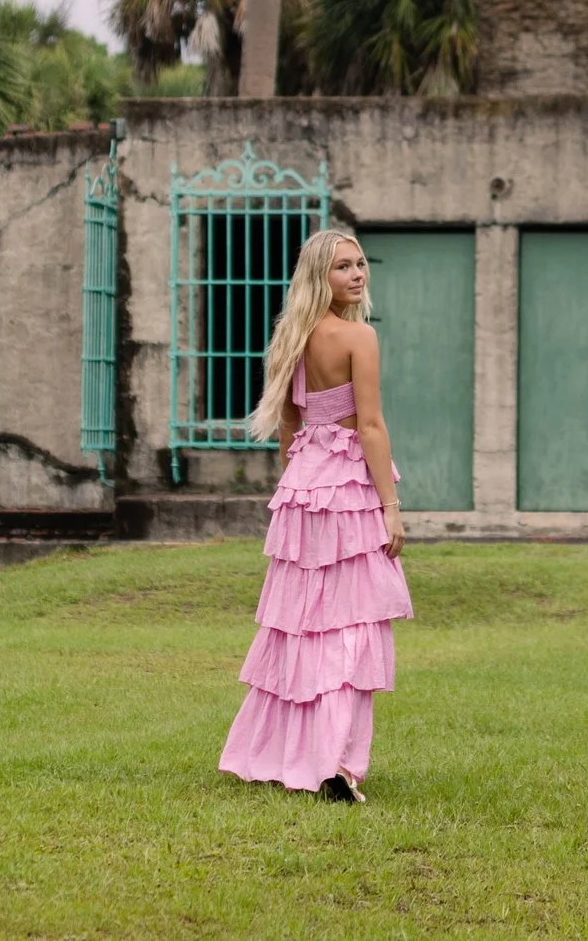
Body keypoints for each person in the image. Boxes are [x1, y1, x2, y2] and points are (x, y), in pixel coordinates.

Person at [217, 228, 412, 803]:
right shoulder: (359, 337)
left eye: (361, 264)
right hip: (348, 491)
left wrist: (297, 482)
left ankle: (292, 755)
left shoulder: (291, 338)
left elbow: (288, 428)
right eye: (343, 267)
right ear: (318, 277)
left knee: (301, 627)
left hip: (302, 490)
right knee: (353, 624)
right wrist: (391, 508)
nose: (358, 274)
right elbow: (371, 426)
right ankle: (335, 764)